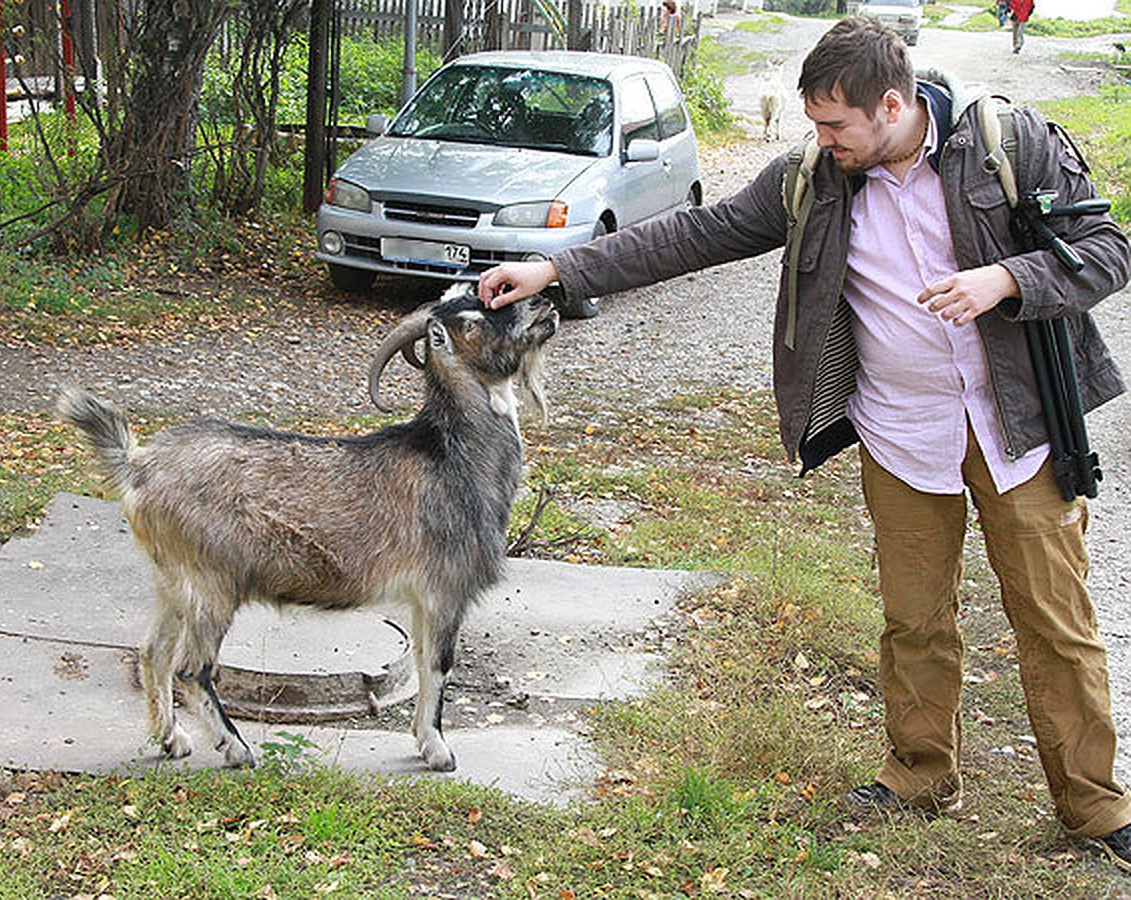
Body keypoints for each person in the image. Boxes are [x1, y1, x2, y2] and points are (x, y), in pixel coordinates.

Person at [478, 16, 1131, 867]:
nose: (822, 143)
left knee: (1053, 619)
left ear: (892, 105)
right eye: (815, 126)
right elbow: (695, 234)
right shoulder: (816, 178)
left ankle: (1095, 807)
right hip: (900, 432)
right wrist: (557, 270)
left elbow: (1108, 249)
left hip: (1020, 426)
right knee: (914, 618)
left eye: (835, 127)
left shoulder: (1010, 142)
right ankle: (920, 774)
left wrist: (1007, 277)